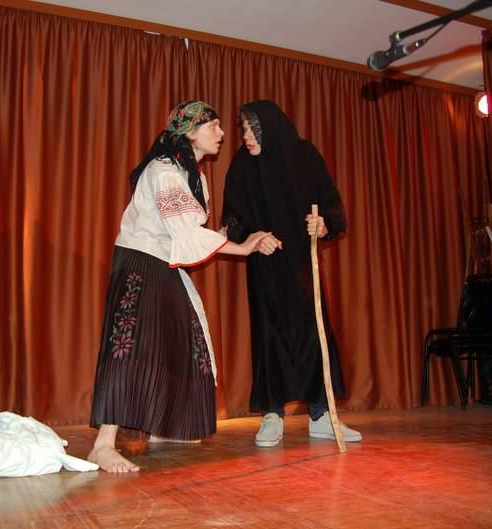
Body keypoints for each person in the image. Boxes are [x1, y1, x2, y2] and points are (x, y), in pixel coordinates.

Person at [88, 101, 273, 473]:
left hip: (164, 261)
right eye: (214, 126)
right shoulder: (164, 171)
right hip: (141, 260)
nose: (222, 133)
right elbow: (184, 231)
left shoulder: (192, 176)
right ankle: (102, 445)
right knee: (132, 345)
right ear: (190, 132)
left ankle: (161, 426)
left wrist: (222, 236)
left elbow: (186, 233)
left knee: (182, 340)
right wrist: (242, 247)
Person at [221, 100, 362, 447]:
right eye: (243, 129)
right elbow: (232, 219)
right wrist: (255, 238)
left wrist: (323, 224)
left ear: (271, 127)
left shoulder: (305, 156)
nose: (246, 136)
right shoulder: (242, 165)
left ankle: (321, 415)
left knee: (313, 333)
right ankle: (273, 414)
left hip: (303, 264)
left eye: (253, 129)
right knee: (269, 336)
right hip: (265, 268)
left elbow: (332, 203)